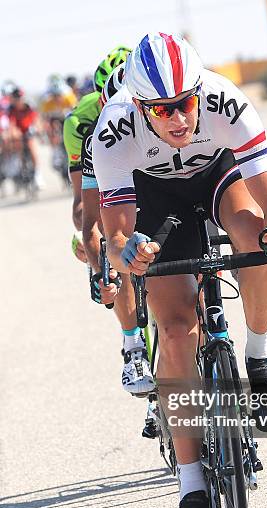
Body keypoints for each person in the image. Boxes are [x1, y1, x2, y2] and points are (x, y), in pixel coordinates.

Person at [93, 32, 267, 508]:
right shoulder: (113, 130)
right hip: (153, 197)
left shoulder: (225, 101)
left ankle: (260, 355)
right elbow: (116, 236)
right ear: (139, 106)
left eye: (185, 104)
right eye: (161, 111)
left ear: (199, 92)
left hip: (216, 178)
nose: (178, 119)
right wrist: (128, 253)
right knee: (176, 328)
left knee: (256, 237)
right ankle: (191, 490)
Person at [64, 50, 154, 396]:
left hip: (148, 179)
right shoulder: (80, 124)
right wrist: (103, 259)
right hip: (102, 189)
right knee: (110, 251)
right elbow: (81, 207)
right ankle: (133, 344)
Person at [7, 88, 42, 187]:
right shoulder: (11, 109)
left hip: (29, 129)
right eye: (16, 99)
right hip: (19, 131)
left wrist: (37, 128)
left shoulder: (29, 105)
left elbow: (36, 119)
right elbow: (11, 124)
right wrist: (12, 132)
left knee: (31, 147)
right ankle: (22, 167)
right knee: (18, 145)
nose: (18, 101)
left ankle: (37, 174)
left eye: (20, 98)